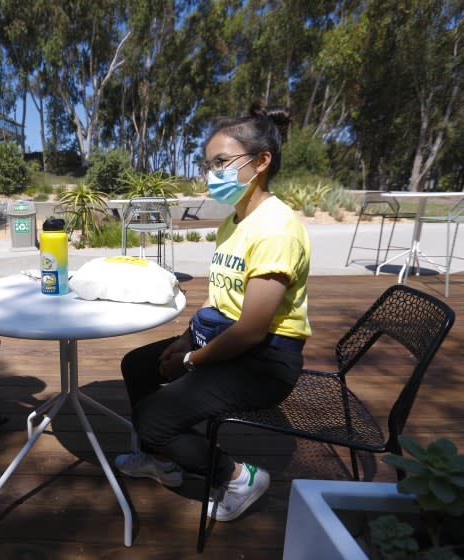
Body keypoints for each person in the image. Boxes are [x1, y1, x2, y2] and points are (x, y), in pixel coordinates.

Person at [114, 102, 311, 522]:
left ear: (261, 161)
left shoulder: (276, 229)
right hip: (224, 340)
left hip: (264, 361)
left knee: (151, 421)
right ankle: (163, 463)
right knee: (138, 364)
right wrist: (186, 339)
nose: (212, 174)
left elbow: (252, 330)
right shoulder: (236, 219)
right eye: (208, 165)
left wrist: (189, 361)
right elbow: (217, 298)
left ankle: (240, 476)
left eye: (221, 162)